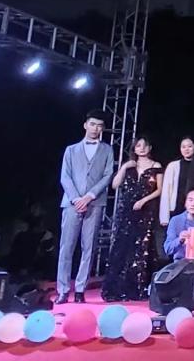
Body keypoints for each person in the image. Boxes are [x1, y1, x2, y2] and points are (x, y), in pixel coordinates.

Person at [56, 109, 115, 304]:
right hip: (71, 203)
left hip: (95, 203)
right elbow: (65, 176)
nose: (95, 128)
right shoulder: (71, 150)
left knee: (88, 247)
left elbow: (107, 176)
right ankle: (63, 289)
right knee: (66, 247)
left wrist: (89, 196)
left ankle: (80, 289)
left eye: (99, 126)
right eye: (92, 124)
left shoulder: (107, 150)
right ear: (85, 125)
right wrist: (76, 199)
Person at [101, 136, 163, 301]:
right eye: (138, 146)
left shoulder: (156, 166)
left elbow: (159, 190)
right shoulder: (129, 166)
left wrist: (143, 201)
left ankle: (136, 288)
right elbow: (115, 185)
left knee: (141, 248)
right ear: (134, 148)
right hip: (126, 210)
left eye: (145, 145)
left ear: (150, 148)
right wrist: (123, 167)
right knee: (122, 246)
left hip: (145, 210)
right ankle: (115, 289)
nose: (141, 148)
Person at [163, 189, 194, 260]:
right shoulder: (176, 220)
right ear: (185, 203)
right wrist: (180, 240)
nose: (193, 204)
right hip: (181, 262)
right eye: (190, 200)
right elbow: (168, 249)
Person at [160, 136, 194, 226]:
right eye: (183, 147)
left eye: (189, 146)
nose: (186, 149)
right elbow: (166, 192)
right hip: (177, 208)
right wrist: (164, 217)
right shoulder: (173, 166)